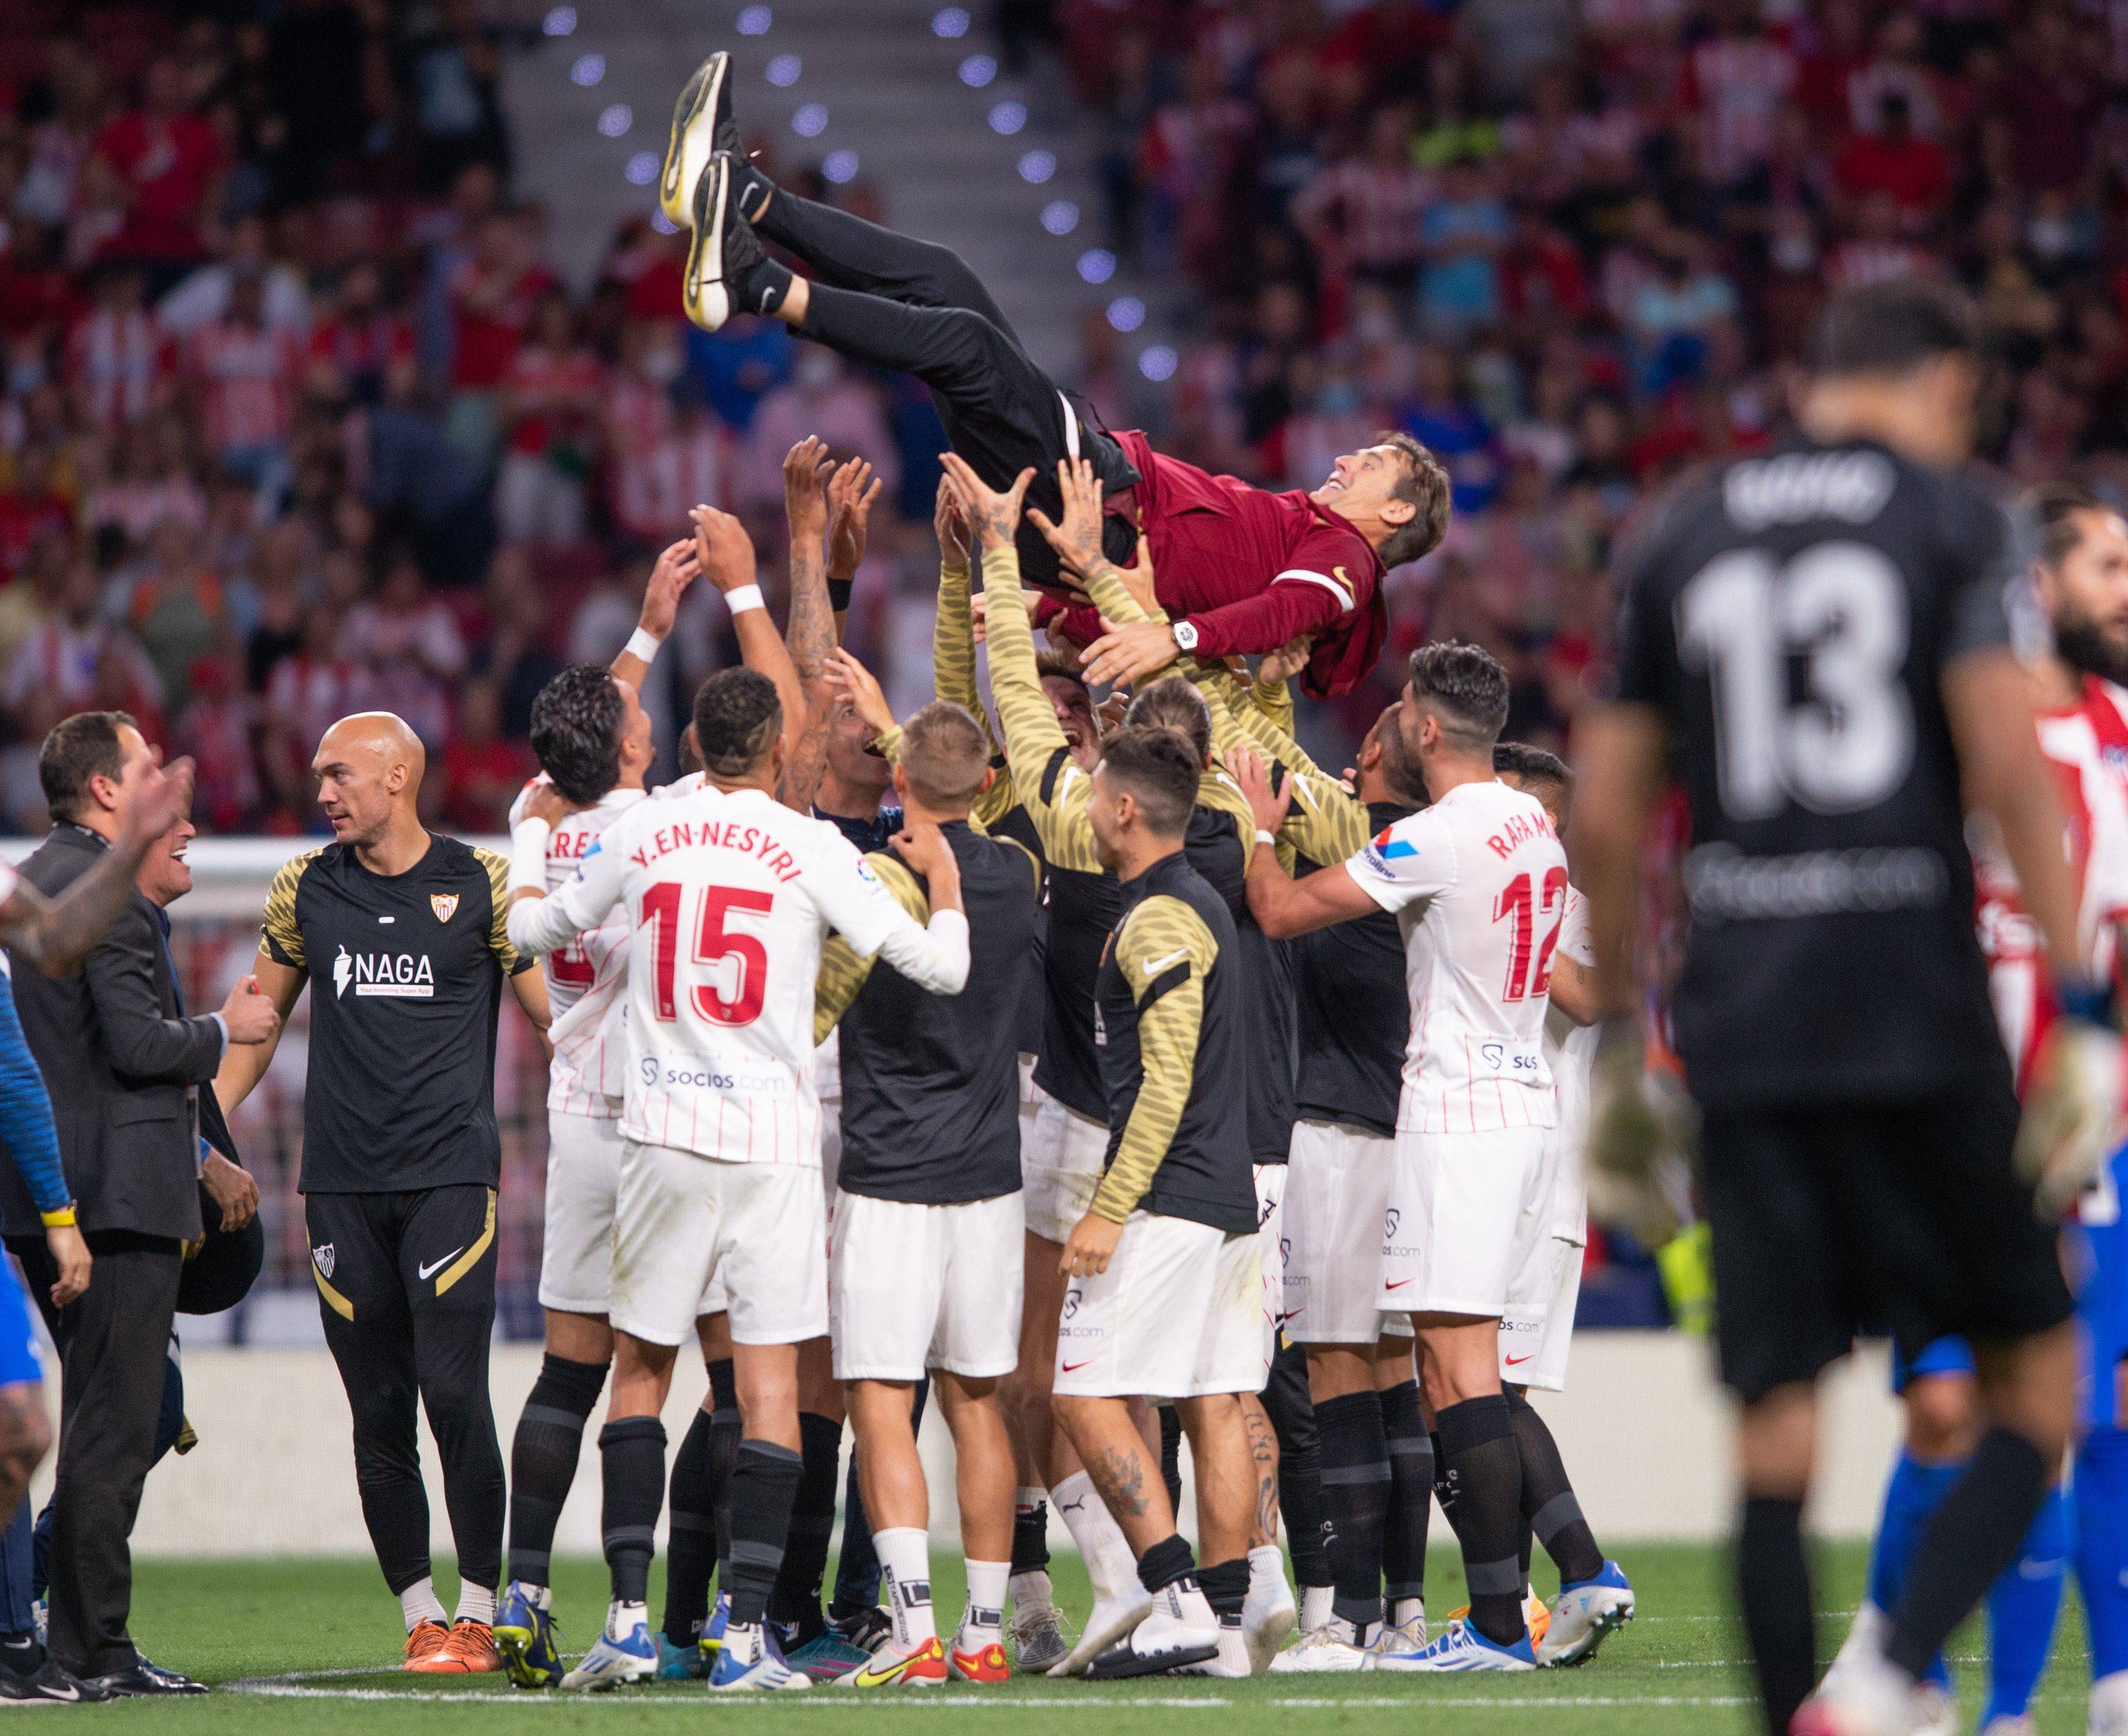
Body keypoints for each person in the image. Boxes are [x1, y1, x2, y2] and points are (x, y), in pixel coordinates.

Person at [1572, 277, 2107, 1736]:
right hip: (1917, 1005)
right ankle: (1880, 1680)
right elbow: (2005, 766)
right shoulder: (1955, 514)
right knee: (2039, 1385)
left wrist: (1619, 1043)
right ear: (1943, 379)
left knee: (1773, 1430)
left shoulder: (1679, 525)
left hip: (1742, 1021)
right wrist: (2081, 1005)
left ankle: (1801, 1716)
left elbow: (1610, 816)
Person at [503, 509, 974, 1695]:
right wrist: (948, 890)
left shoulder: (646, 827)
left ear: (690, 747)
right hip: (768, 1143)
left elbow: (543, 929)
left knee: (639, 1374)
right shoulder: (811, 848)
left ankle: (621, 1616)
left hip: (653, 1131)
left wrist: (523, 877)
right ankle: (747, 1634)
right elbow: (936, 970)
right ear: (776, 750)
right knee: (762, 1387)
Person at [662, 55, 1451, 698]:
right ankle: (747, 197)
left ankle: (753, 283)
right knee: (946, 281)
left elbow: (1283, 612)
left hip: (1099, 509)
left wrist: (1164, 636)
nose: (1348, 460)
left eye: (1372, 465)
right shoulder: (1309, 528)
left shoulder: (1348, 563)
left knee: (964, 341)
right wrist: (1067, 611)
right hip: (1094, 506)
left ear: (1398, 509)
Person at [1234, 641, 1632, 1673]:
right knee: (1463, 1376)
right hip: (1523, 1109)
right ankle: (1515, 1606)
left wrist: (1264, 835)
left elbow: (1280, 914)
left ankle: (1519, 1611)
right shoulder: (1529, 828)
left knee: (1458, 1376)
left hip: (1457, 1114)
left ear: (1420, 726)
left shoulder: (1439, 836)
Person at [1823, 484, 2128, 1736]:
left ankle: (2067, 1700)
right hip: (1945, 1121)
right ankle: (1895, 1660)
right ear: (2041, 587)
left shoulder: (2123, 741)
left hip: (2088, 1139)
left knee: (2084, 1412)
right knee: (1950, 1413)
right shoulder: (1951, 736)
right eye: (2110, 565)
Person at [212, 711, 553, 1673]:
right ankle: (420, 1615)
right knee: (376, 1411)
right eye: (319, 774)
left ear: (399, 775)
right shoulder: (304, 888)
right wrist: (204, 1128)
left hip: (451, 1178)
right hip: (340, 1188)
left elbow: (551, 1022)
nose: (323, 790)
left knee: (453, 1393)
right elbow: (258, 1024)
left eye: (341, 773)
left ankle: (483, 1611)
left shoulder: (481, 885)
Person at [491, 537, 691, 1690]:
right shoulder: (659, 826)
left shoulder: (547, 828)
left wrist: (650, 627)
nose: (645, 720)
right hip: (664, 1117)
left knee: (565, 1368)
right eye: (633, 716)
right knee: (653, 1373)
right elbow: (626, 748)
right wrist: (656, 635)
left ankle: (523, 1589)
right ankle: (630, 1608)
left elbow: (585, 735)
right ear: (623, 746)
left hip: (575, 1119)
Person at [809, 691, 1042, 1686]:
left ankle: (914, 1637)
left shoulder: (867, 882)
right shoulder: (1020, 873)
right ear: (987, 786)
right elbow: (959, 785)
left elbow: (817, 1007)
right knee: (976, 1404)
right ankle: (985, 1636)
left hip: (891, 1179)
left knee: (882, 1403)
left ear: (898, 782)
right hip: (991, 1183)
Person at [0, 713, 229, 1699]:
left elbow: (34, 1039)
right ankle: (88, 1647)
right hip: (118, 1194)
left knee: (80, 1418)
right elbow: (135, 1047)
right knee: (114, 1421)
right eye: (140, 771)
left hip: (48, 1190)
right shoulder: (110, 901)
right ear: (106, 789)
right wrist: (225, 1029)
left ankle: (74, 1643)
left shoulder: (32, 876)